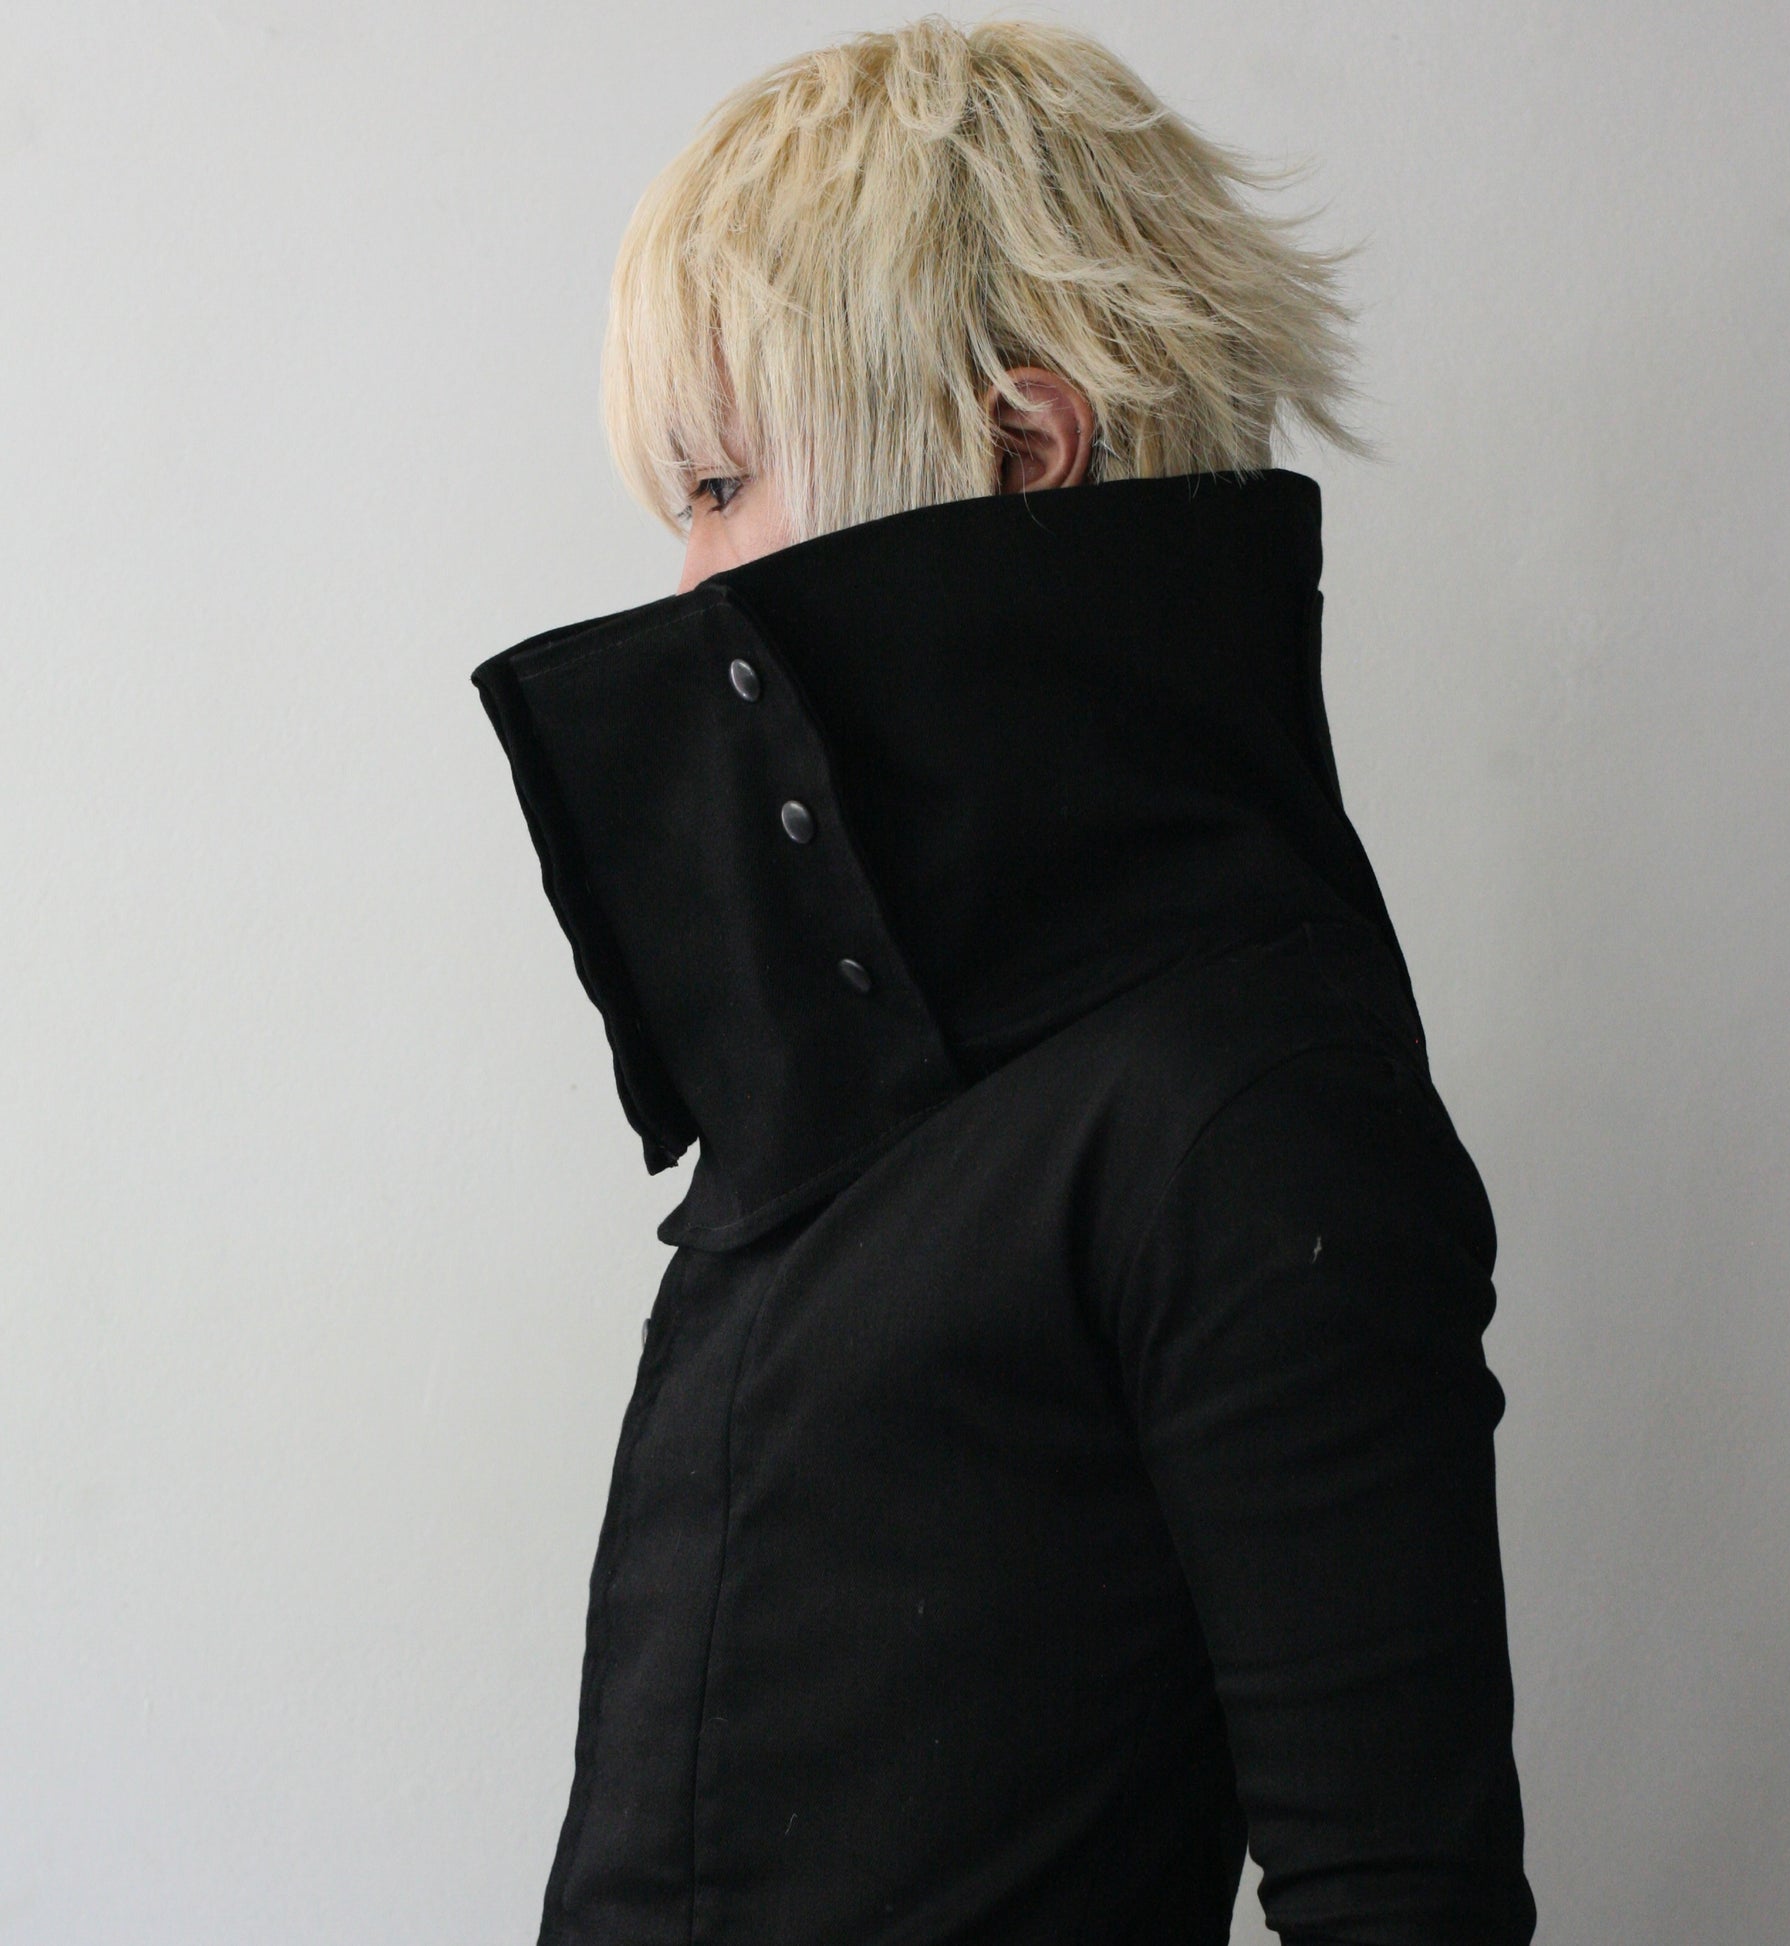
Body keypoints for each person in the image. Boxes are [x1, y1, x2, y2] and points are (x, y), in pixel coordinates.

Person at [471, 18, 1536, 1945]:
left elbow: (1399, 1897)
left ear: (1019, 452)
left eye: (721, 484)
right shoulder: (828, 1095)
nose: (690, 582)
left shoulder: (1240, 1100)